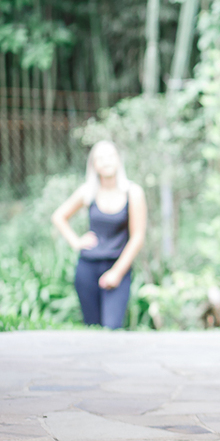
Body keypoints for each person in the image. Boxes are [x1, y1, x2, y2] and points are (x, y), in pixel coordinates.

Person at [51, 141, 147, 330]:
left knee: (111, 328)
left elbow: (137, 237)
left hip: (117, 266)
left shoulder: (133, 193)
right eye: (100, 158)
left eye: (110, 156)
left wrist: (116, 273)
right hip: (87, 268)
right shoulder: (88, 192)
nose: (106, 162)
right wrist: (76, 242)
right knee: (92, 330)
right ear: (94, 164)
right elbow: (59, 216)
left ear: (118, 160)